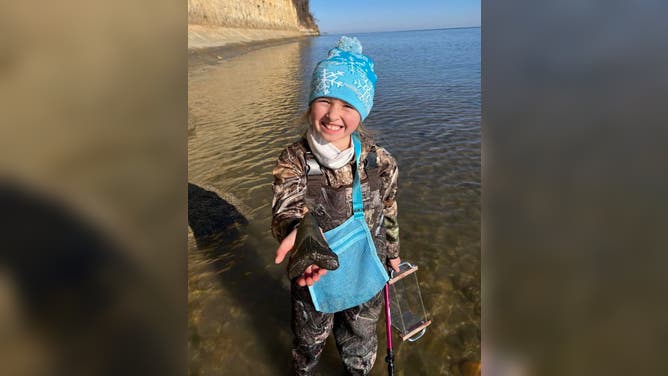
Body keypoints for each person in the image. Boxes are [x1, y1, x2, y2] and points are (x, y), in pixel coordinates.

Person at [271, 36, 402, 375]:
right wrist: (298, 233)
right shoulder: (294, 160)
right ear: (311, 102)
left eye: (347, 105)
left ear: (363, 110)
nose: (333, 115)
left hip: (367, 270)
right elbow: (285, 209)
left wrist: (394, 255)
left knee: (360, 339)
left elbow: (389, 208)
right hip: (312, 274)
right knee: (308, 342)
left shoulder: (380, 161)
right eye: (324, 101)